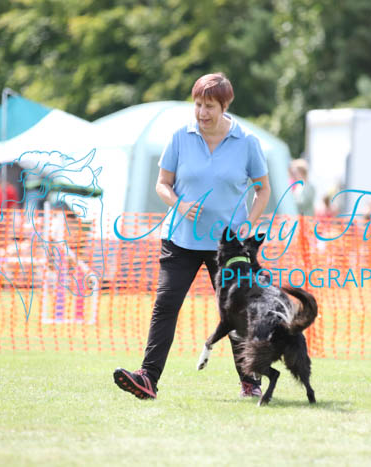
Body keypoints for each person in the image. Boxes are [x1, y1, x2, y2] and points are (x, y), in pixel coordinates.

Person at [113, 73, 271, 400]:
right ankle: (147, 378)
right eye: (198, 104)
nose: (202, 112)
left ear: (225, 106)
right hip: (180, 240)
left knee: (236, 312)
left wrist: (249, 223)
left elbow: (263, 189)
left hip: (228, 247)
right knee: (165, 306)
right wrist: (179, 204)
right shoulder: (180, 138)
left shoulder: (247, 142)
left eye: (209, 106)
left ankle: (250, 381)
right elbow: (162, 184)